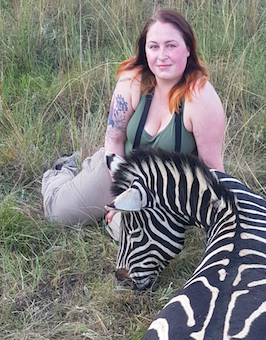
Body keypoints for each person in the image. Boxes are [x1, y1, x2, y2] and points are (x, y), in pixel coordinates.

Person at [41, 9, 226, 239]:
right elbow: (114, 140)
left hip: (163, 191)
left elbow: (212, 169)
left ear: (188, 49)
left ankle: (115, 219)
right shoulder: (132, 80)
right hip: (117, 167)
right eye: (154, 46)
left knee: (134, 237)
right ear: (145, 50)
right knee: (59, 215)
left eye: (171, 46)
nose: (162, 55)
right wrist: (122, 195)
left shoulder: (200, 97)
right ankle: (64, 169)